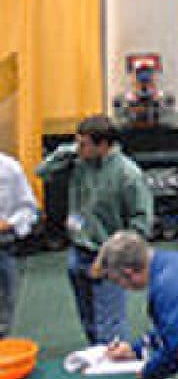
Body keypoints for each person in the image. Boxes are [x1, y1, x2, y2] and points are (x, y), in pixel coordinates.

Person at [36, 115, 154, 345]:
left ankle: (115, 362)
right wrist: (70, 150)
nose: (78, 148)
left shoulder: (128, 174)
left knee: (109, 327)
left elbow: (141, 223)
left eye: (84, 144)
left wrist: (118, 256)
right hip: (79, 251)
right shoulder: (79, 162)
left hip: (109, 258)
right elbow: (43, 171)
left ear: (103, 145)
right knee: (88, 321)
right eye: (77, 143)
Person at [92, 231, 178, 379]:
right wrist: (135, 349)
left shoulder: (169, 287)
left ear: (128, 273)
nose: (121, 287)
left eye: (117, 281)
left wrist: (148, 372)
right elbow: (174, 329)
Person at [0, 150, 37, 339]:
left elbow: (28, 209)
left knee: (4, 310)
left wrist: (9, 223)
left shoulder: (10, 169)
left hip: (3, 247)